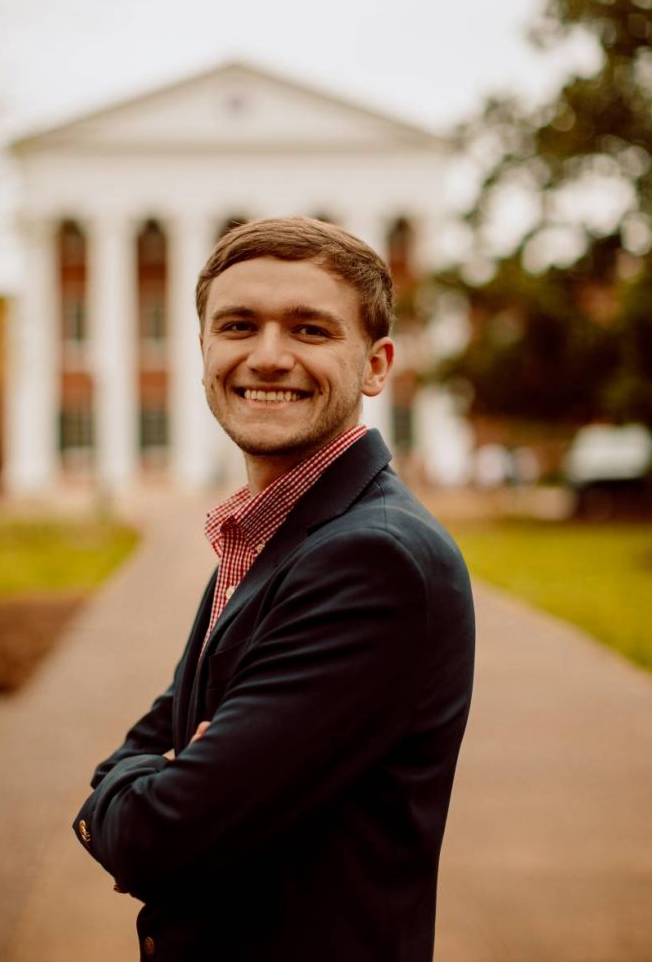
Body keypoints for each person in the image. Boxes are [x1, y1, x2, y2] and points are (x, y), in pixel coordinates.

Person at [73, 216, 475, 962]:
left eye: (310, 331)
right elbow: (156, 740)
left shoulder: (370, 559)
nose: (267, 357)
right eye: (237, 325)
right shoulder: (269, 534)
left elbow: (164, 835)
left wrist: (126, 796)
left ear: (377, 366)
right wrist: (155, 774)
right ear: (203, 353)